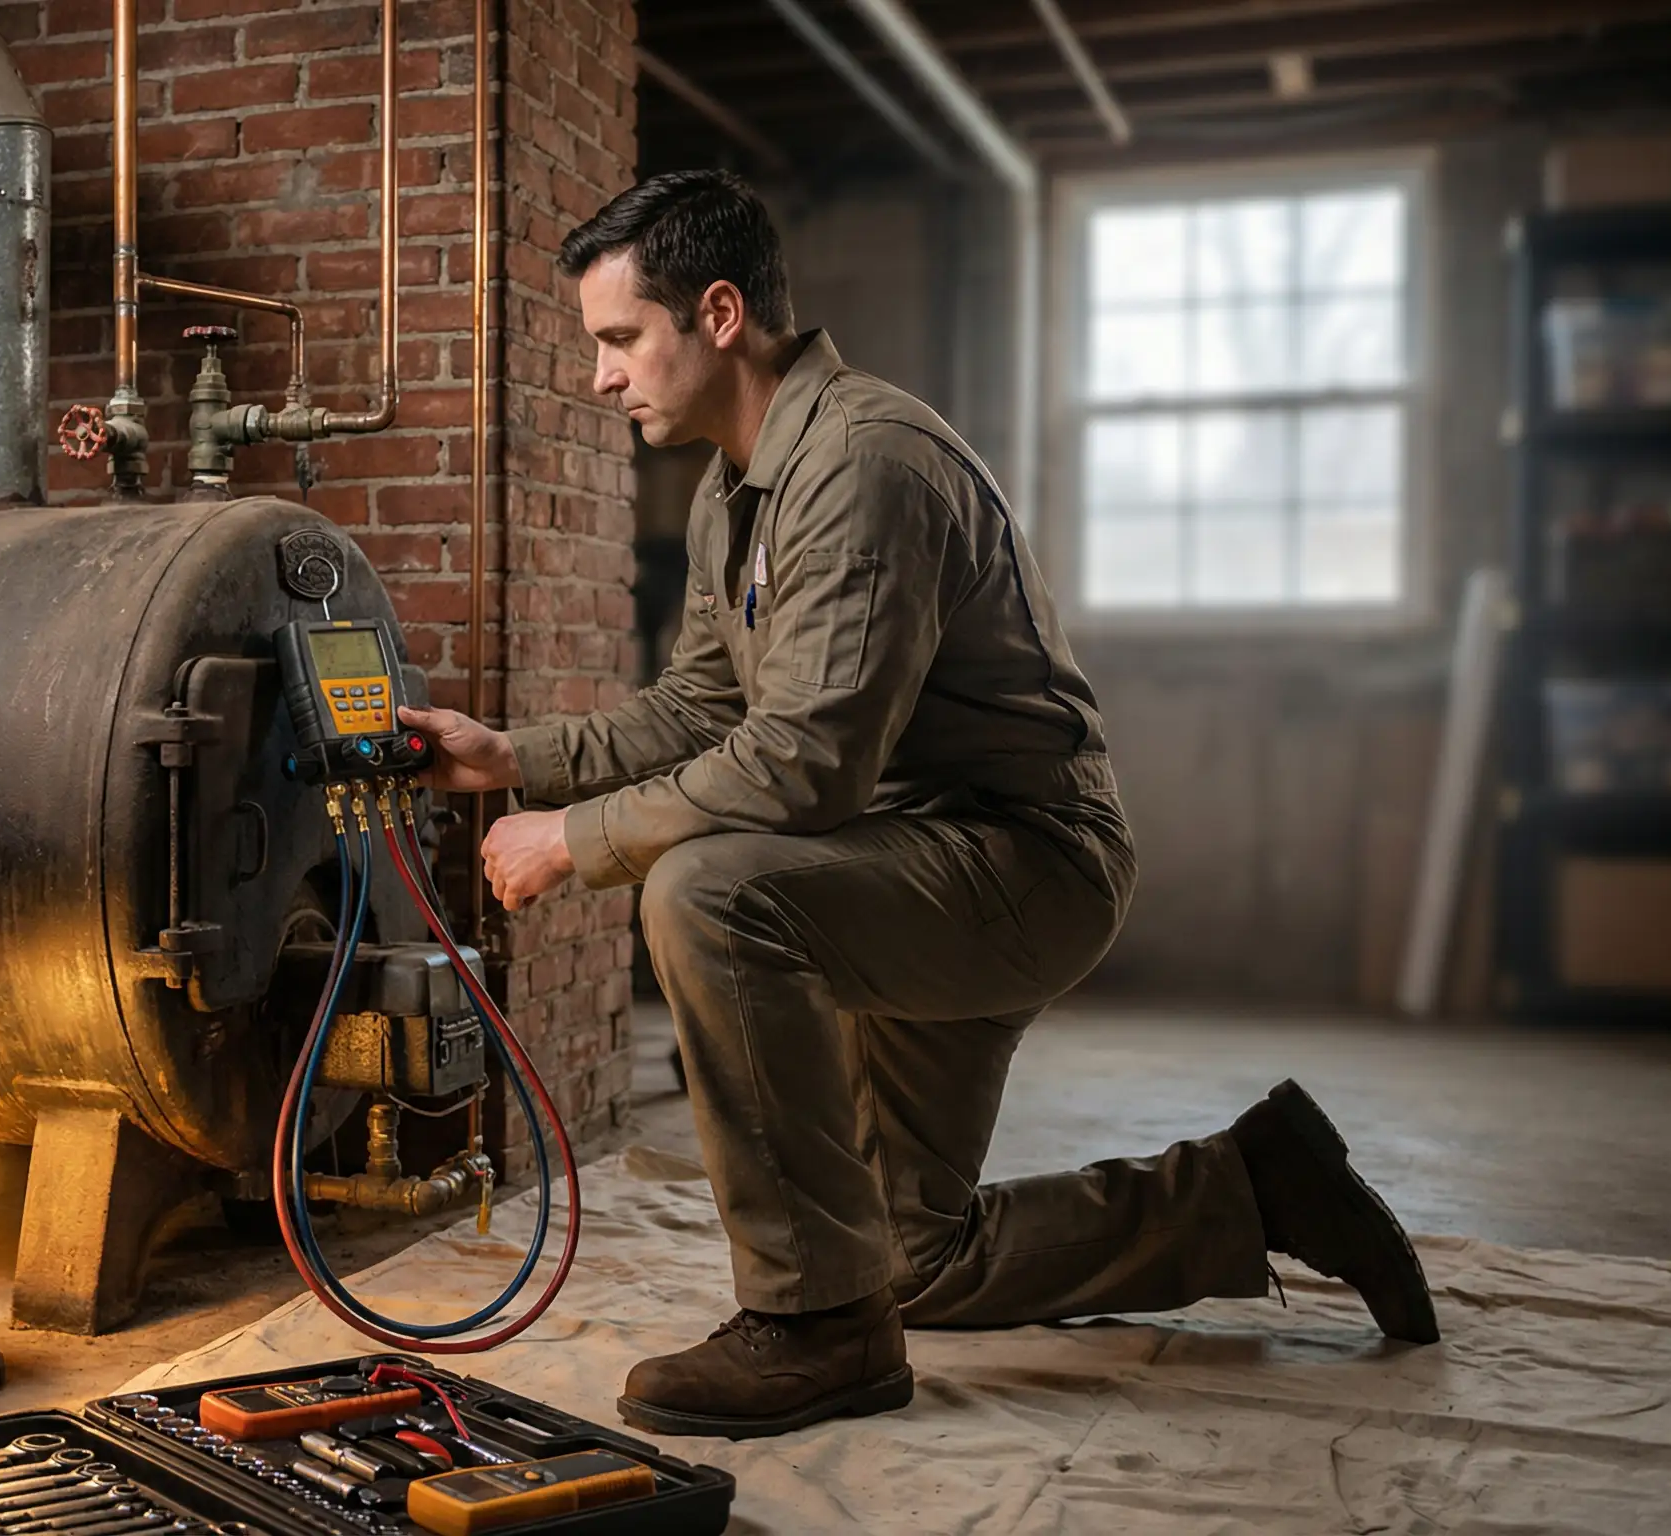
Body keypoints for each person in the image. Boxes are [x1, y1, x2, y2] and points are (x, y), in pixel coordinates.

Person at [397, 170, 1439, 1441]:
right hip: (898, 860)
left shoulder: (863, 462)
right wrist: (513, 759)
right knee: (906, 1256)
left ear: (718, 313)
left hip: (1018, 865)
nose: (603, 376)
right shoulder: (737, 491)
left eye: (621, 339)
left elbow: (802, 765)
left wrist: (578, 841)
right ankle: (1249, 1190)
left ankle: (811, 1331)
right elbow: (698, 710)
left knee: (708, 893)